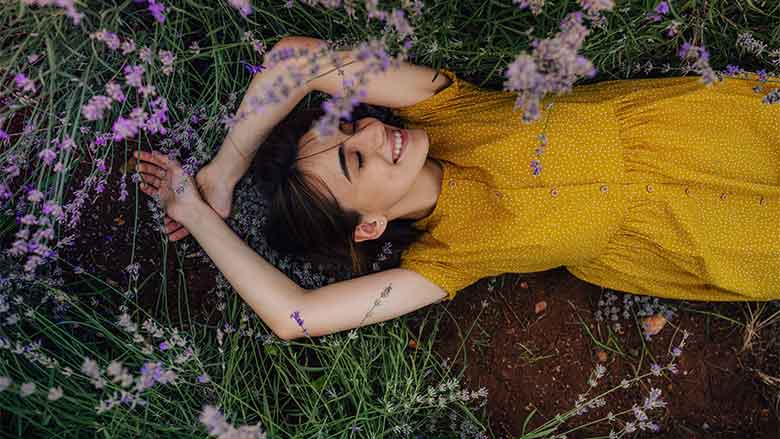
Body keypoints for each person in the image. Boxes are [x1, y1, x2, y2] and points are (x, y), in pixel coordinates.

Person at [133, 36, 780, 341]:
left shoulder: (448, 112)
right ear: (369, 227)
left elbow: (298, 64)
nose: (373, 133)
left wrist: (224, 170)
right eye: (355, 163)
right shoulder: (448, 259)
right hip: (701, 236)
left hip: (717, 131)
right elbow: (294, 315)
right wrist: (193, 208)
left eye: (352, 125)